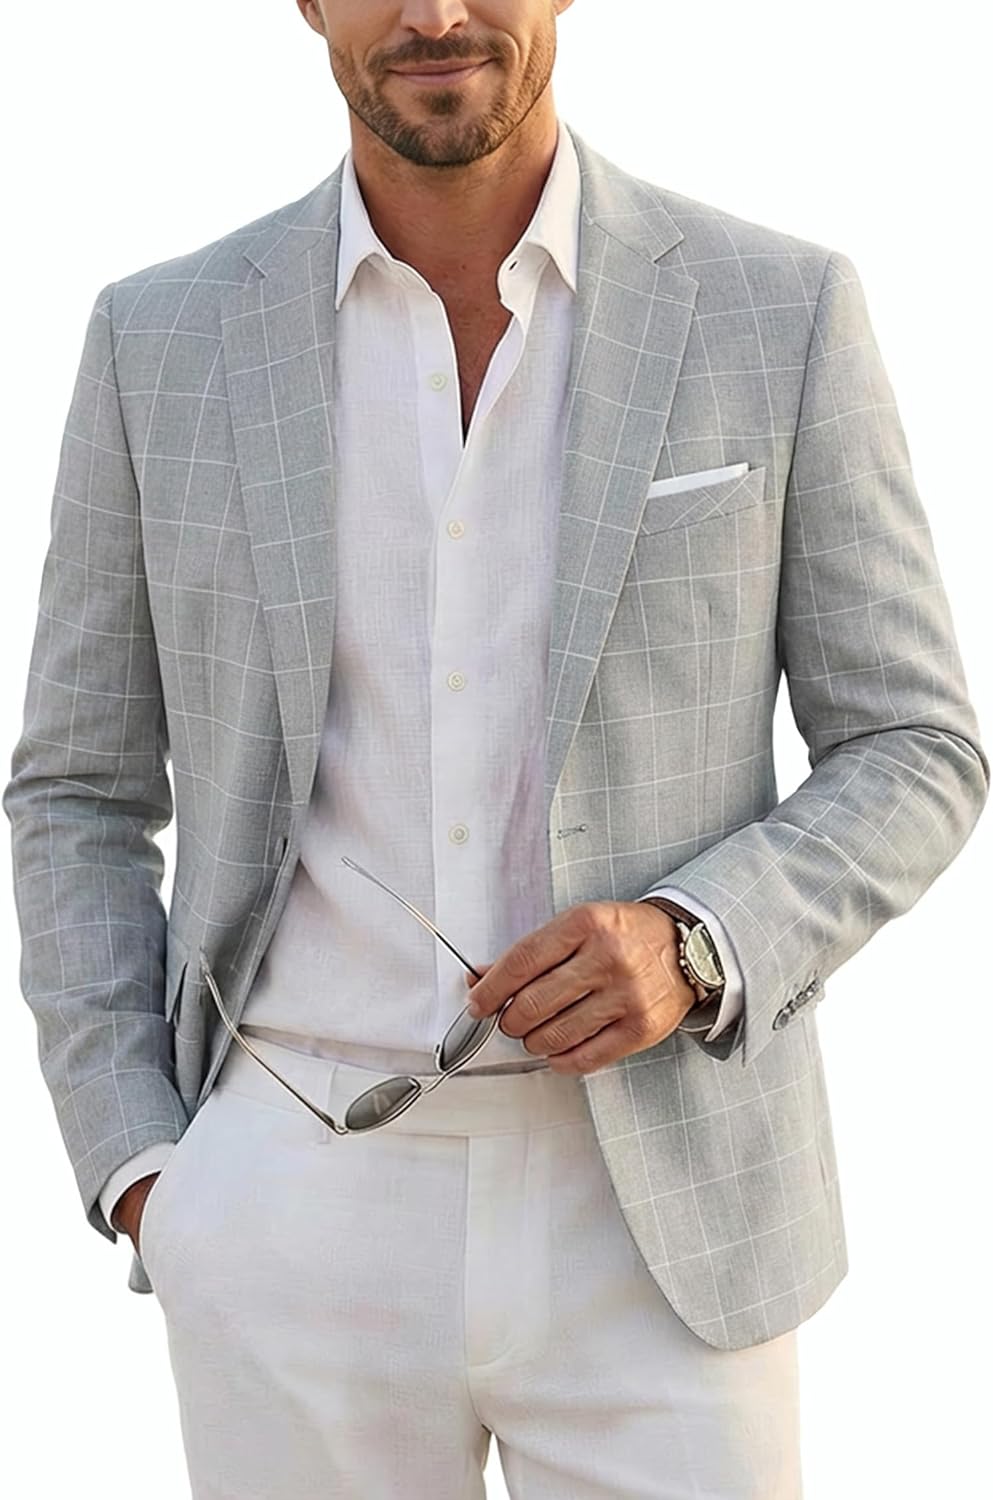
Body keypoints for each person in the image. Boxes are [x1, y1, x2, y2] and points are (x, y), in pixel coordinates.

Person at [4, 2, 988, 1496]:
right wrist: (139, 1164)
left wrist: (700, 938)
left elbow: (914, 742)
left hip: (669, 1204)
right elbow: (78, 787)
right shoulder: (160, 338)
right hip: (286, 1192)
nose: (434, 14)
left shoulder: (775, 307)